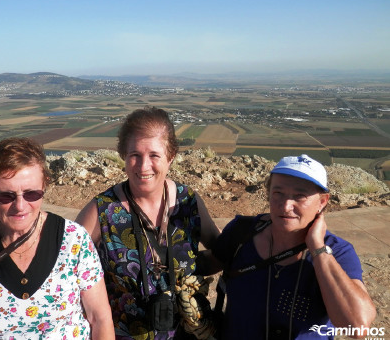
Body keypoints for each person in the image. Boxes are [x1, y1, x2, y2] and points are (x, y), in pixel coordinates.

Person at [0, 137, 114, 339]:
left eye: (31, 194)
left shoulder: (74, 240)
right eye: (6, 196)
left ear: (45, 186)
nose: (20, 206)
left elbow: (99, 317)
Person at [76, 106, 221, 339]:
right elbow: (67, 268)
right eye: (135, 155)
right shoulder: (102, 210)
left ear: (170, 157)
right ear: (123, 155)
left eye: (154, 155)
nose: (143, 166)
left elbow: (219, 251)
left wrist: (190, 270)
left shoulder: (187, 202)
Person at [213, 154, 376, 339]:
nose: (286, 205)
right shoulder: (242, 232)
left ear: (322, 202)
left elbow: (357, 326)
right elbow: (206, 263)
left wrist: (318, 249)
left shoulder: (337, 252)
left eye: (300, 196)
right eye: (278, 193)